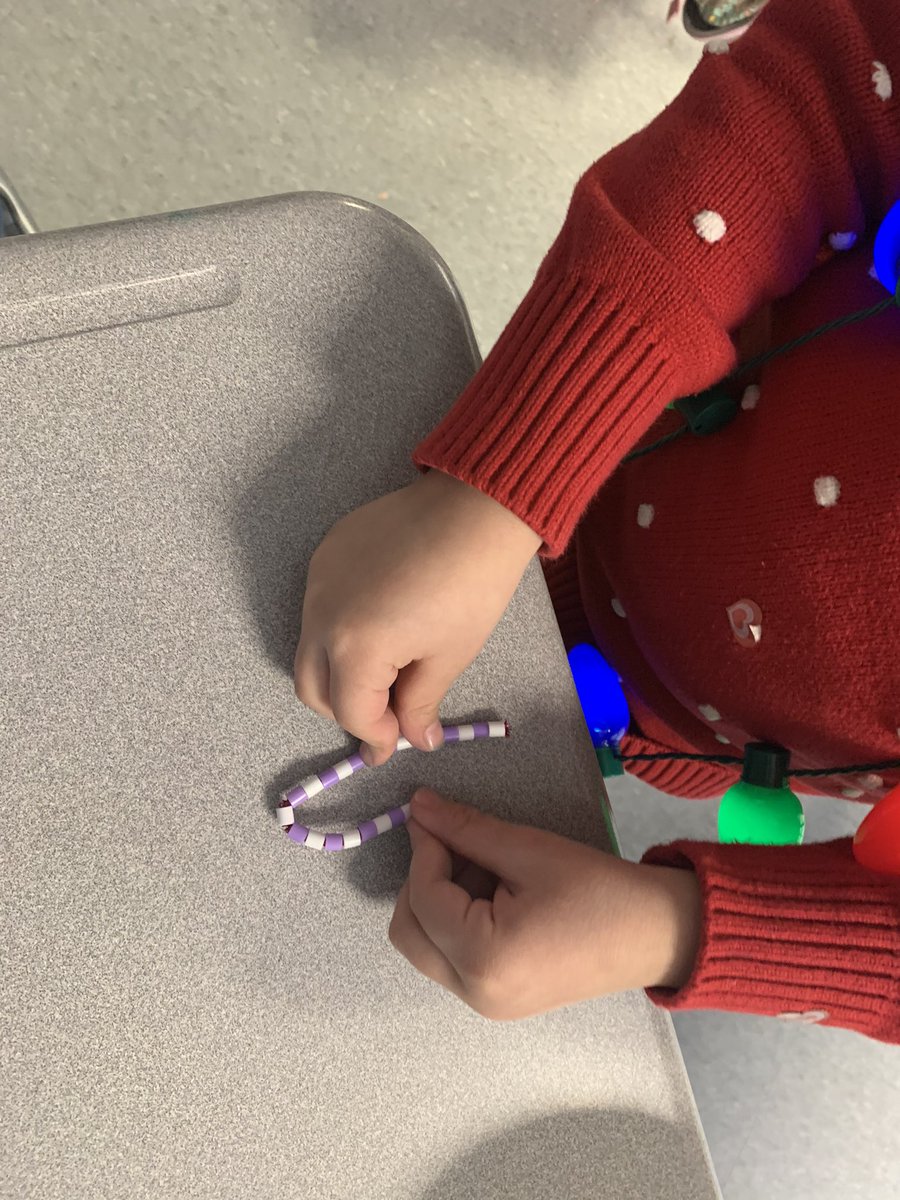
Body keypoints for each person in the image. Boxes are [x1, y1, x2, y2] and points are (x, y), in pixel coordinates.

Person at [295, 0, 900, 1043]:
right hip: (586, 467)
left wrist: (678, 928)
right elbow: (834, 83)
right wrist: (500, 490)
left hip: (655, 721)